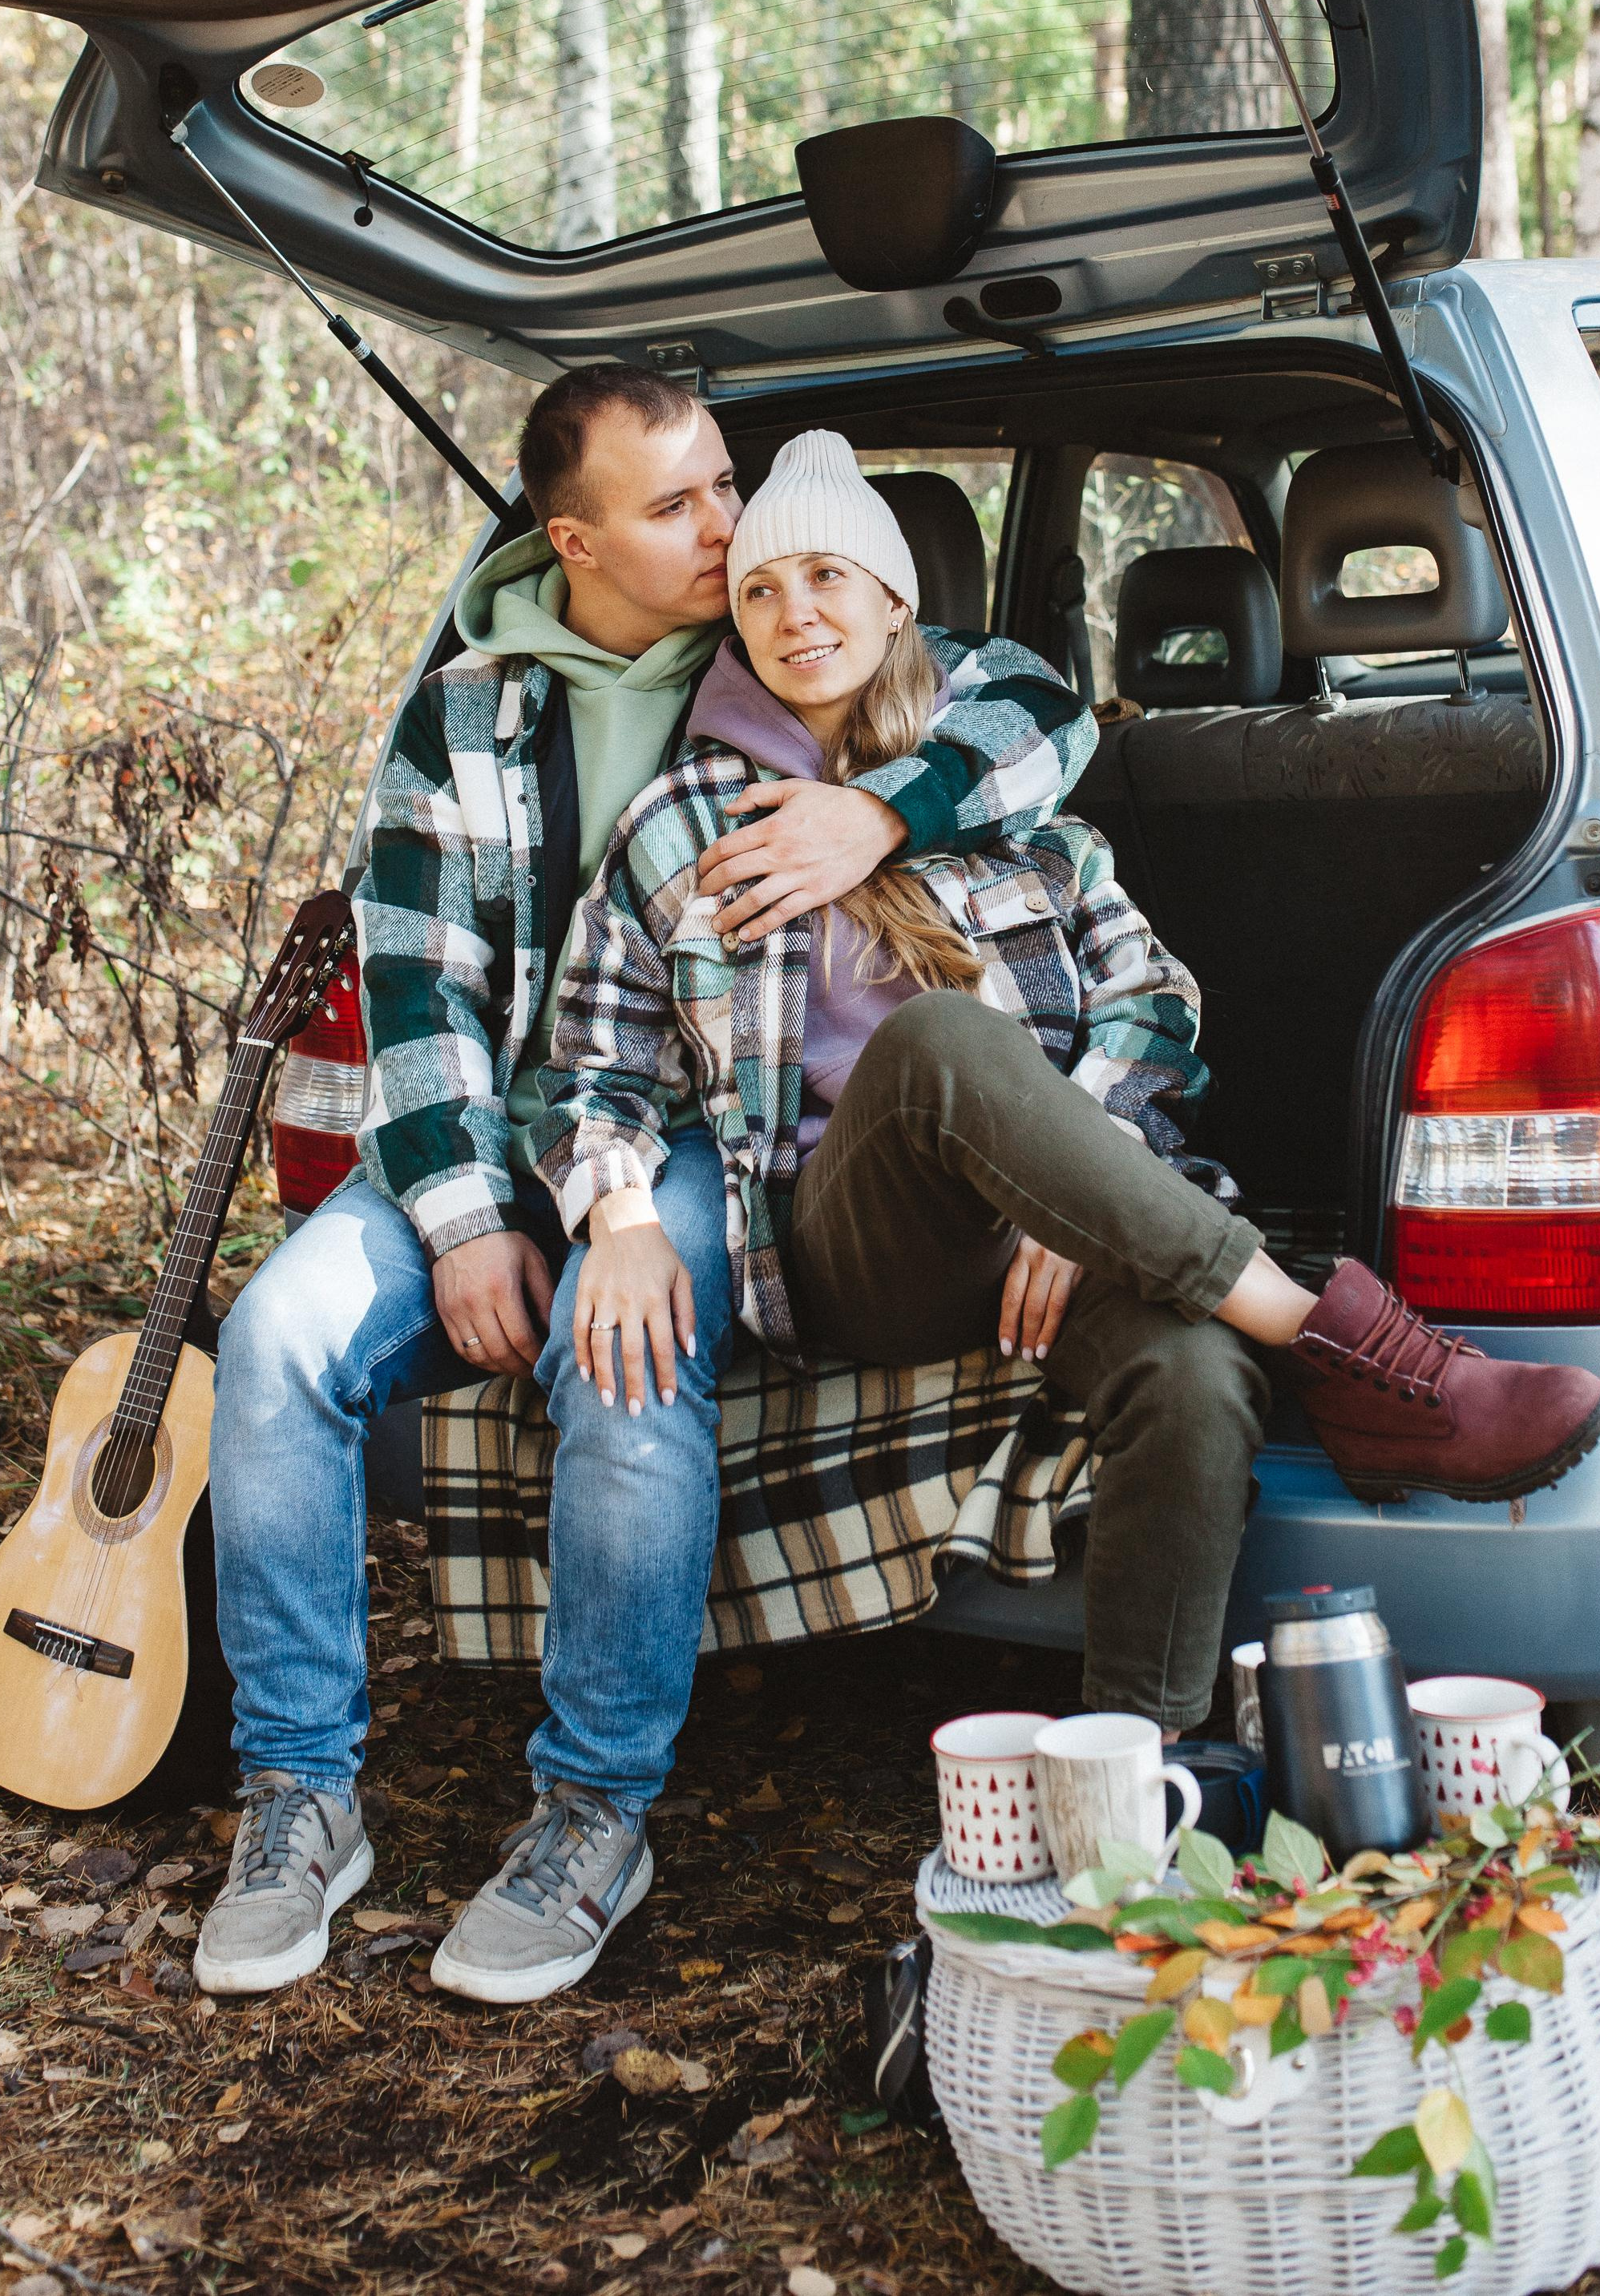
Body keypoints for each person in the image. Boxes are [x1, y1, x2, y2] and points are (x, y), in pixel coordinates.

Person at [523, 432, 1600, 1803]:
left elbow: (1153, 1005)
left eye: (826, 577)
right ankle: (1349, 1347)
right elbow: (592, 1064)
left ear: (893, 599)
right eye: (758, 591)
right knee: (939, 1042)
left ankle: (1134, 1788)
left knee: (1196, 1373)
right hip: (859, 1244)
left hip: (1061, 1221)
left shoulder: (1004, 785)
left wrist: (1076, 1181)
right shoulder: (681, 822)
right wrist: (620, 1209)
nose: (794, 614)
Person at [195, 372, 1098, 1999]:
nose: (731, 532)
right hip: (496, 1135)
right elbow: (415, 987)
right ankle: (297, 1795)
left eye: (727, 485)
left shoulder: (771, 640)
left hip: (689, 1123)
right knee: (271, 1340)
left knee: (626, 1343)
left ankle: (593, 1813)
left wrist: (871, 816)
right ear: (576, 542)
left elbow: (1040, 707)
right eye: (680, 507)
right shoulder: (466, 716)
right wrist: (470, 1222)